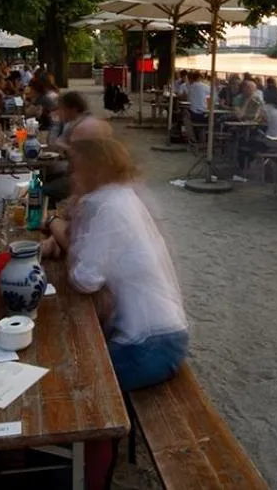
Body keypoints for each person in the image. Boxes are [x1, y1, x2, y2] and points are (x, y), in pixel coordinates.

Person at [52, 138, 187, 391]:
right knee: (70, 363)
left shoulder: (110, 208)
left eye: (75, 169)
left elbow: (84, 279)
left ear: (94, 171)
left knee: (72, 386)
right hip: (159, 337)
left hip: (151, 345)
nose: (71, 177)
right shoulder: (118, 197)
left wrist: (58, 227)